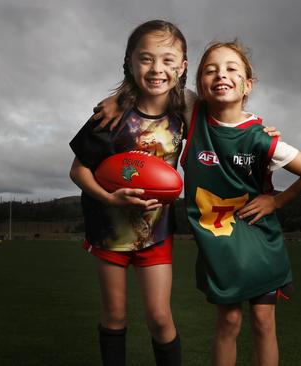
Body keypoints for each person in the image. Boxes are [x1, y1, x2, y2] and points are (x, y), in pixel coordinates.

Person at [180, 41, 301, 366]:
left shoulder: (262, 138)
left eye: (232, 69)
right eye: (210, 69)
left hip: (259, 239)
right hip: (219, 242)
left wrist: (274, 202)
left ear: (248, 85)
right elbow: (150, 85)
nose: (221, 74)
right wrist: (111, 102)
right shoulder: (192, 114)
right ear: (199, 85)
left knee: (263, 323)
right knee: (228, 322)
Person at [69, 20, 187, 366]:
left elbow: (224, 113)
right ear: (130, 62)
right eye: (146, 59)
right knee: (115, 314)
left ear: (181, 68)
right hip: (110, 231)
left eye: (168, 60)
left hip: (157, 231)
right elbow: (77, 170)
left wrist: (256, 124)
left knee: (160, 318)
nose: (157, 69)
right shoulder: (110, 117)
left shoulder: (185, 114)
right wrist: (108, 198)